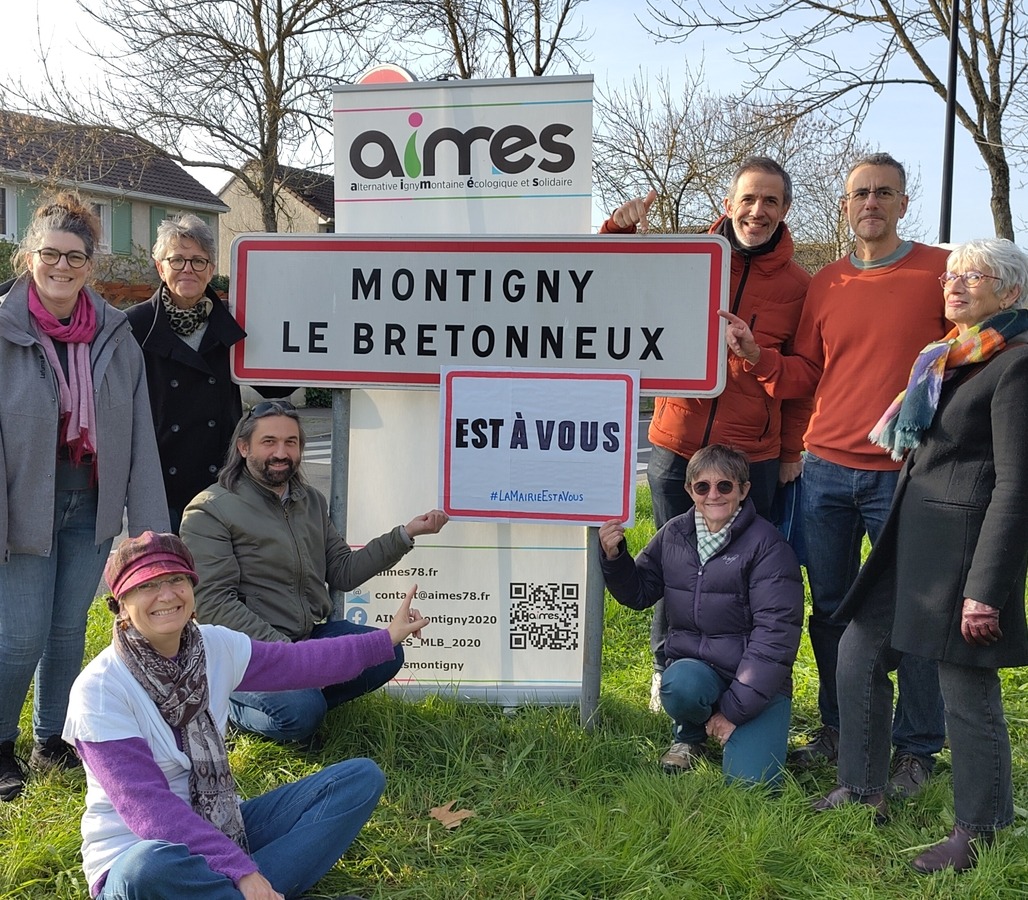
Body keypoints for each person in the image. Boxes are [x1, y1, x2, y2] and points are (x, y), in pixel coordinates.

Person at [720, 152, 949, 796]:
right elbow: (806, 377)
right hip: (824, 473)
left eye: (884, 192)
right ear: (844, 206)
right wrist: (758, 356)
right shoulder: (826, 284)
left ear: (904, 202)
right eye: (859, 194)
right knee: (831, 612)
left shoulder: (937, 273)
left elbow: (966, 358)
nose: (870, 203)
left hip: (906, 476)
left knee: (917, 612)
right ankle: (842, 730)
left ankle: (916, 749)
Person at [813, 238, 1028, 873]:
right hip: (909, 545)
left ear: (1009, 293)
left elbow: (1017, 484)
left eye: (974, 277)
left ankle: (982, 832)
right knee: (858, 649)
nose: (954, 285)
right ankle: (862, 787)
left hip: (963, 557)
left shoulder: (1015, 366)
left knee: (966, 690)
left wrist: (986, 587)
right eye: (950, 276)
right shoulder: (946, 358)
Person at [64, 530, 429, 899]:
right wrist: (240, 870)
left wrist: (386, 638)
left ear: (192, 588)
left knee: (359, 779)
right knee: (144, 870)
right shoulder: (99, 690)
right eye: (148, 585)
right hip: (142, 852)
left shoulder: (215, 645)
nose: (166, 595)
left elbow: (300, 663)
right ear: (121, 604)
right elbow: (149, 811)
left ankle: (233, 892)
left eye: (176, 579)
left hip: (225, 827)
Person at [600, 157, 812, 767]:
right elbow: (610, 285)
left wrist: (792, 445)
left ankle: (746, 688)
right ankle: (673, 684)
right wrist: (619, 230)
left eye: (771, 200)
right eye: (749, 198)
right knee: (674, 568)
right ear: (730, 199)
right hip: (676, 446)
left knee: (743, 578)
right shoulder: (688, 257)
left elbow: (804, 379)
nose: (757, 211)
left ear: (784, 209)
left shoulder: (800, 286)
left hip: (755, 454)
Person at [0, 194, 169, 803]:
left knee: (68, 630)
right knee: (19, 635)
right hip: (22, 511)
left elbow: (139, 433)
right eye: (50, 253)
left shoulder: (115, 336)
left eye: (75, 256)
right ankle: (0, 746)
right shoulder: (4, 329)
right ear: (29, 256)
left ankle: (53, 741)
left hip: (89, 509)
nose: (62, 266)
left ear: (90, 265)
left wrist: (151, 532)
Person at [180, 400, 448, 744]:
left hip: (304, 638)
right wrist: (295, 660)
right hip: (242, 654)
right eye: (269, 442)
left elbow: (343, 571)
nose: (281, 452)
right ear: (244, 447)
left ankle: (306, 693)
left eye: (291, 442)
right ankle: (227, 703)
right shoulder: (210, 511)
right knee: (300, 711)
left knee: (388, 651)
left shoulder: (310, 500)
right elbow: (215, 605)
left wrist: (406, 534)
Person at [599, 445, 803, 785]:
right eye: (702, 487)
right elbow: (639, 593)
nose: (714, 495)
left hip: (756, 682)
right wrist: (615, 556)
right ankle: (691, 735)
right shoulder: (674, 534)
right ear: (689, 490)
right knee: (679, 684)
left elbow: (775, 639)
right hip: (697, 672)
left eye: (725, 486)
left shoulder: (769, 546)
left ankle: (730, 724)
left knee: (751, 785)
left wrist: (734, 711)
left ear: (743, 490)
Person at [126, 214, 247, 532]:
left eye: (198, 260)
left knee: (216, 577)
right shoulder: (133, 326)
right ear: (160, 266)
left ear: (211, 268)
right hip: (157, 482)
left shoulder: (234, 324)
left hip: (222, 482)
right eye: (177, 260)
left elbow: (275, 387)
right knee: (164, 577)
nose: (188, 269)